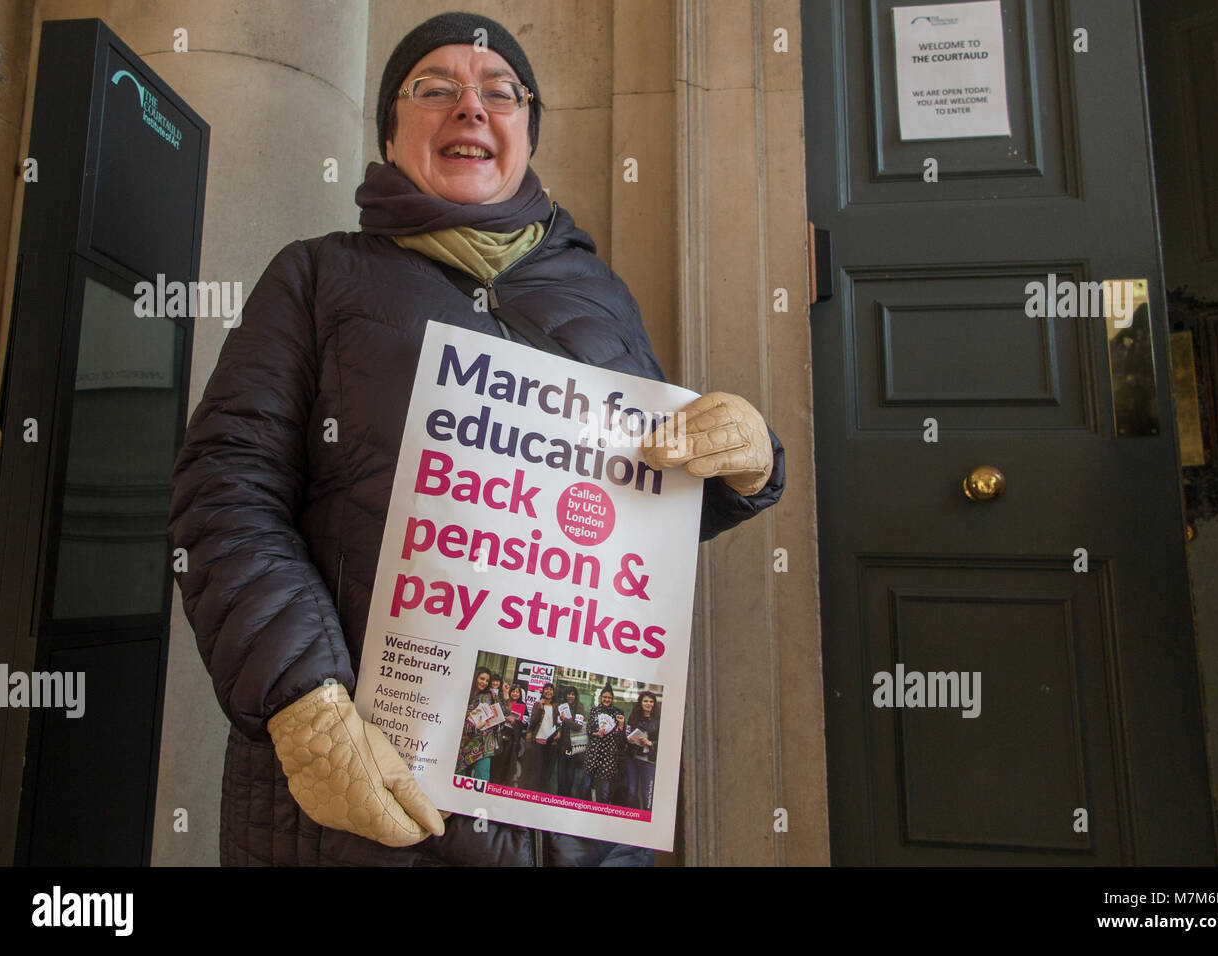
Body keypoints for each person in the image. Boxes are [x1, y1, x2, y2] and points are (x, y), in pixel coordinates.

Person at [168, 11, 785, 867]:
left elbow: (628, 513)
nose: (471, 106)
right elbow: (225, 497)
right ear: (391, 129)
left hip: (573, 815)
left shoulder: (602, 296)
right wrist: (300, 700)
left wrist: (742, 468)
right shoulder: (315, 277)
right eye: (434, 89)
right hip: (369, 794)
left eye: (500, 91)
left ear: (526, 130)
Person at [583, 686, 626, 805]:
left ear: (612, 699)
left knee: (605, 788)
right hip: (594, 750)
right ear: (601, 697)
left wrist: (621, 726)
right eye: (605, 697)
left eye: (609, 698)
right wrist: (596, 733)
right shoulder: (594, 710)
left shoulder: (618, 713)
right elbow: (589, 730)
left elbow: (620, 737)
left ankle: (603, 808)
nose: (607, 699)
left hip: (608, 752)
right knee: (587, 783)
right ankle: (583, 804)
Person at [457, 666, 496, 779]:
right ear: (475, 678)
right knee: (459, 777)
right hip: (465, 743)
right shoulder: (464, 695)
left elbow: (503, 712)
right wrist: (475, 727)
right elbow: (456, 721)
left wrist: (503, 696)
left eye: (487, 680)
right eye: (482, 678)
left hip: (484, 744)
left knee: (483, 778)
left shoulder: (490, 695)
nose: (484, 682)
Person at [521, 683, 560, 792]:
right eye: (546, 689)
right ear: (543, 692)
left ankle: (541, 794)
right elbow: (532, 723)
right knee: (535, 771)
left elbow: (559, 723)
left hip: (550, 743)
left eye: (551, 689)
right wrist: (540, 708)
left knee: (545, 772)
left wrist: (559, 732)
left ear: (553, 692)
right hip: (537, 742)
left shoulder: (556, 706)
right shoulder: (537, 704)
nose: (549, 691)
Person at [623, 691, 659, 811]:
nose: (648, 704)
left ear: (654, 703)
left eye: (651, 701)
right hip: (632, 759)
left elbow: (666, 743)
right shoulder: (633, 717)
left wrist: (650, 743)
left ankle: (647, 821)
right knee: (631, 792)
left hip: (649, 762)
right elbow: (627, 734)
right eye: (645, 701)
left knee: (647, 795)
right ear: (641, 703)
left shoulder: (659, 720)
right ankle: (631, 818)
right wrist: (629, 740)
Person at [555, 686, 586, 797]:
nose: (570, 696)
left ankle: (567, 798)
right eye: (568, 694)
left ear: (576, 696)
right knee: (560, 775)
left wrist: (565, 720)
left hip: (573, 746)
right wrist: (558, 730)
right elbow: (559, 724)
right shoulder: (561, 706)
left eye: (573, 694)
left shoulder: (579, 706)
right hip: (561, 746)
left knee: (569, 776)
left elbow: (578, 726)